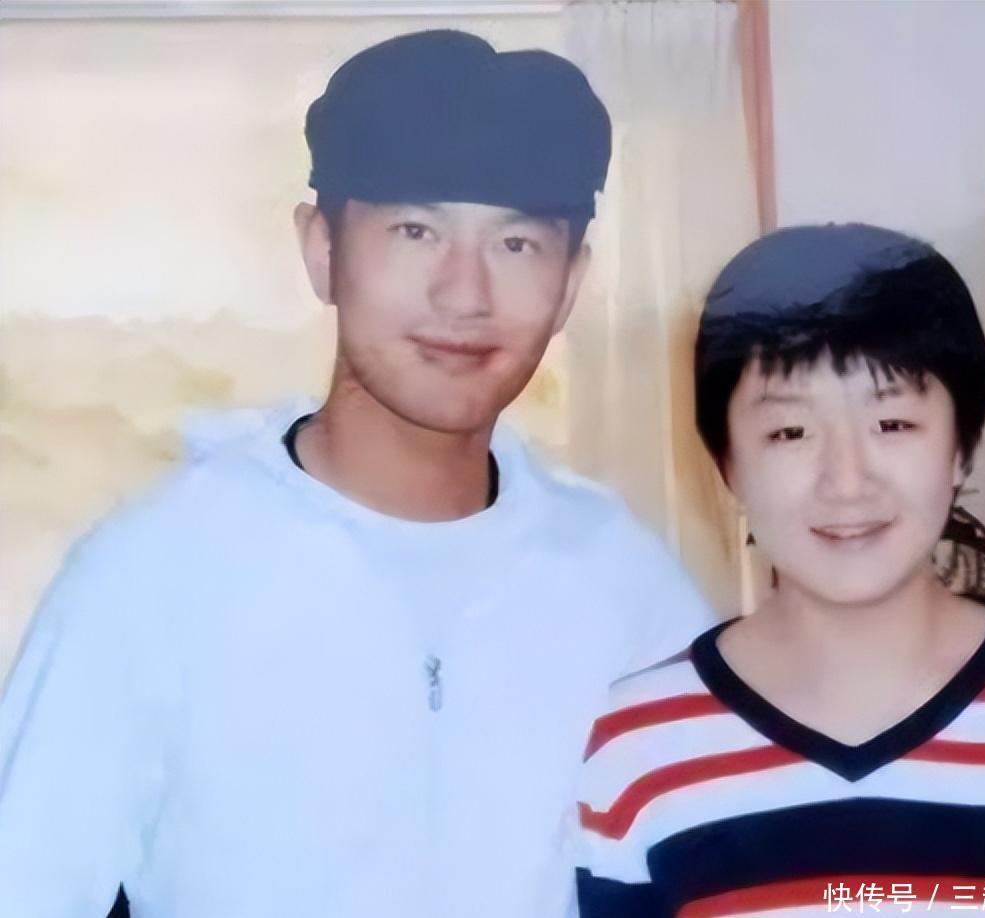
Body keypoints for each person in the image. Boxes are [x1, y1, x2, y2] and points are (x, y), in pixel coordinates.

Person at [0, 30, 715, 918]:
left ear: (571, 283)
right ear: (322, 250)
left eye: (517, 245)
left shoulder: (629, 592)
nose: (465, 294)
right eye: (416, 232)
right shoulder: (155, 574)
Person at [575, 224, 985, 916]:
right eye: (790, 432)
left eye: (892, 424)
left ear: (962, 448)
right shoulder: (637, 748)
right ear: (727, 465)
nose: (846, 481)